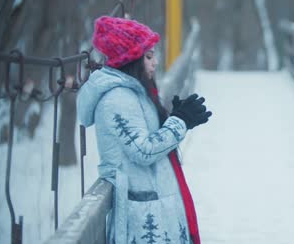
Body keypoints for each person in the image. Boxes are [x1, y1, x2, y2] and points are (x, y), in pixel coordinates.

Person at [77, 16, 212, 244]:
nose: (155, 62)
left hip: (152, 212)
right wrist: (179, 122)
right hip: (144, 220)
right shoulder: (117, 99)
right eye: (148, 56)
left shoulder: (133, 93)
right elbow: (144, 151)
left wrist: (172, 120)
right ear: (130, 61)